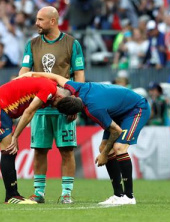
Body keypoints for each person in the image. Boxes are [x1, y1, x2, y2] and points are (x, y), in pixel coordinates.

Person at [16, 72, 151, 205]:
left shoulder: (93, 110)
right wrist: (32, 74)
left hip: (136, 108)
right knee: (104, 147)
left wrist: (103, 156)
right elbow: (56, 77)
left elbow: (116, 131)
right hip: (119, 111)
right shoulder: (76, 88)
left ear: (74, 113)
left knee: (118, 148)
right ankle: (118, 195)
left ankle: (129, 196)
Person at [19, 6, 85, 204]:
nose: (36, 23)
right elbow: (24, 71)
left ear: (53, 21)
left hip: (63, 107)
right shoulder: (32, 44)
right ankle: (38, 193)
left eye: (40, 19)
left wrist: (76, 103)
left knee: (67, 150)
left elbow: (79, 75)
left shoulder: (72, 44)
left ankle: (66, 193)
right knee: (39, 150)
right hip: (39, 106)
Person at [0, 76, 66, 204]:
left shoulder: (52, 86)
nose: (53, 106)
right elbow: (29, 112)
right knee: (9, 149)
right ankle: (11, 195)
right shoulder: (49, 89)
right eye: (55, 105)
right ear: (59, 97)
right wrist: (15, 136)